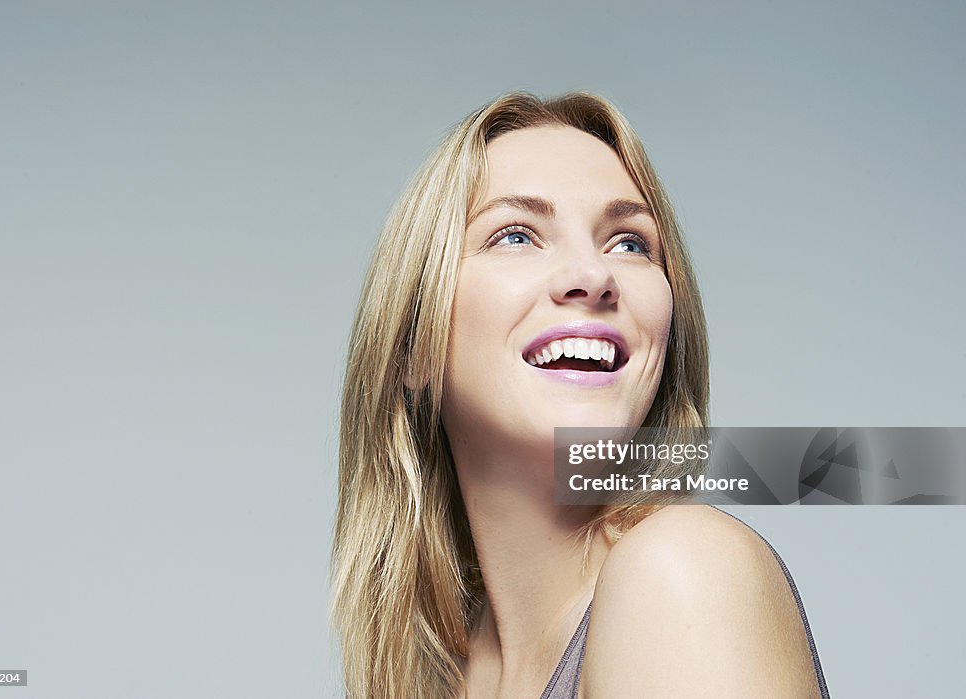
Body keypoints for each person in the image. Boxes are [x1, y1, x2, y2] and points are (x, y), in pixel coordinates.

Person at [332, 92, 829, 698]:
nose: (595, 277)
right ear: (414, 344)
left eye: (630, 243)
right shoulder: (444, 672)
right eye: (516, 236)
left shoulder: (683, 574)